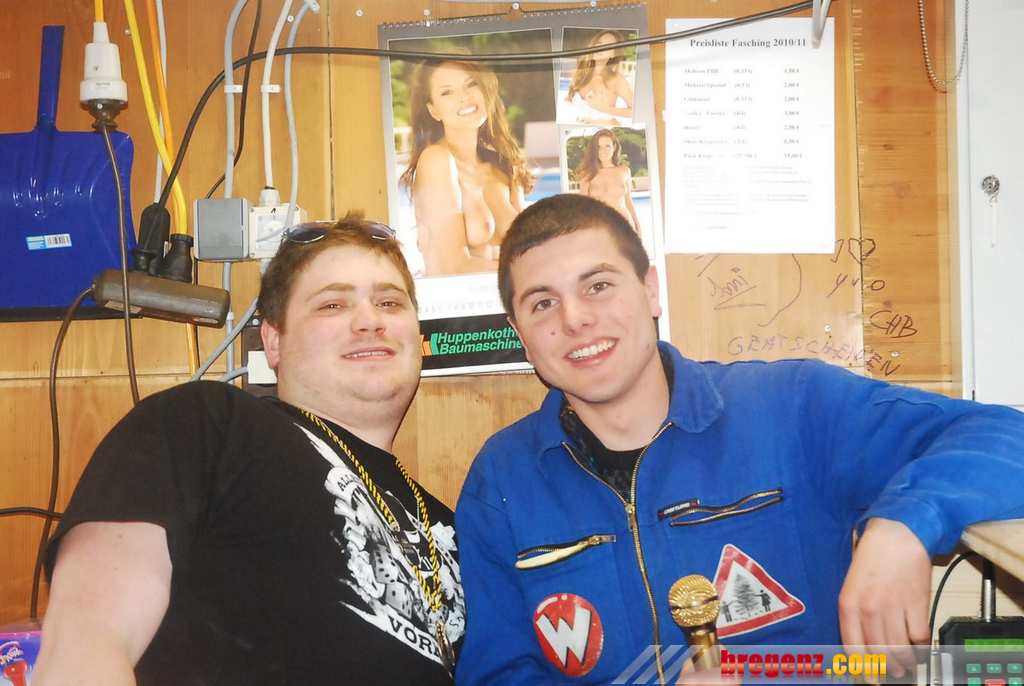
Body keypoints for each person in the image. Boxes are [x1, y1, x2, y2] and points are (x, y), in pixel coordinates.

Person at [453, 194, 1024, 685]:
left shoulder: (792, 406)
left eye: (598, 285)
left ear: (651, 291)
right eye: (543, 303)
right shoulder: (500, 481)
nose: (575, 318)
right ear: (521, 333)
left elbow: (1004, 435)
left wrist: (904, 525)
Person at [35, 216, 466, 685]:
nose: (370, 321)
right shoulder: (204, 423)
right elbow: (85, 646)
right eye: (333, 304)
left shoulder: (453, 523)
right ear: (273, 341)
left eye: (389, 302)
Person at [400, 58, 533, 276]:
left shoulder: (504, 165)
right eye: (447, 92)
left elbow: (526, 252)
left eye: (471, 84)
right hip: (462, 297)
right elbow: (453, 267)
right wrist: (531, 271)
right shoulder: (436, 160)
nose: (464, 97)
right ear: (434, 111)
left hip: (511, 294)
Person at [576, 128, 642, 234]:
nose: (603, 151)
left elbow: (628, 202)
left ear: (614, 147)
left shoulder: (624, 171)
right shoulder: (588, 174)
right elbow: (583, 208)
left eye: (607, 146)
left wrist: (639, 228)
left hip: (626, 226)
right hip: (601, 229)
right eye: (598, 147)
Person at [562, 30, 634, 126]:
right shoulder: (580, 74)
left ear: (614, 54)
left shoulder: (616, 79)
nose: (600, 47)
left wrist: (604, 109)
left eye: (607, 45)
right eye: (598, 42)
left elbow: (634, 111)